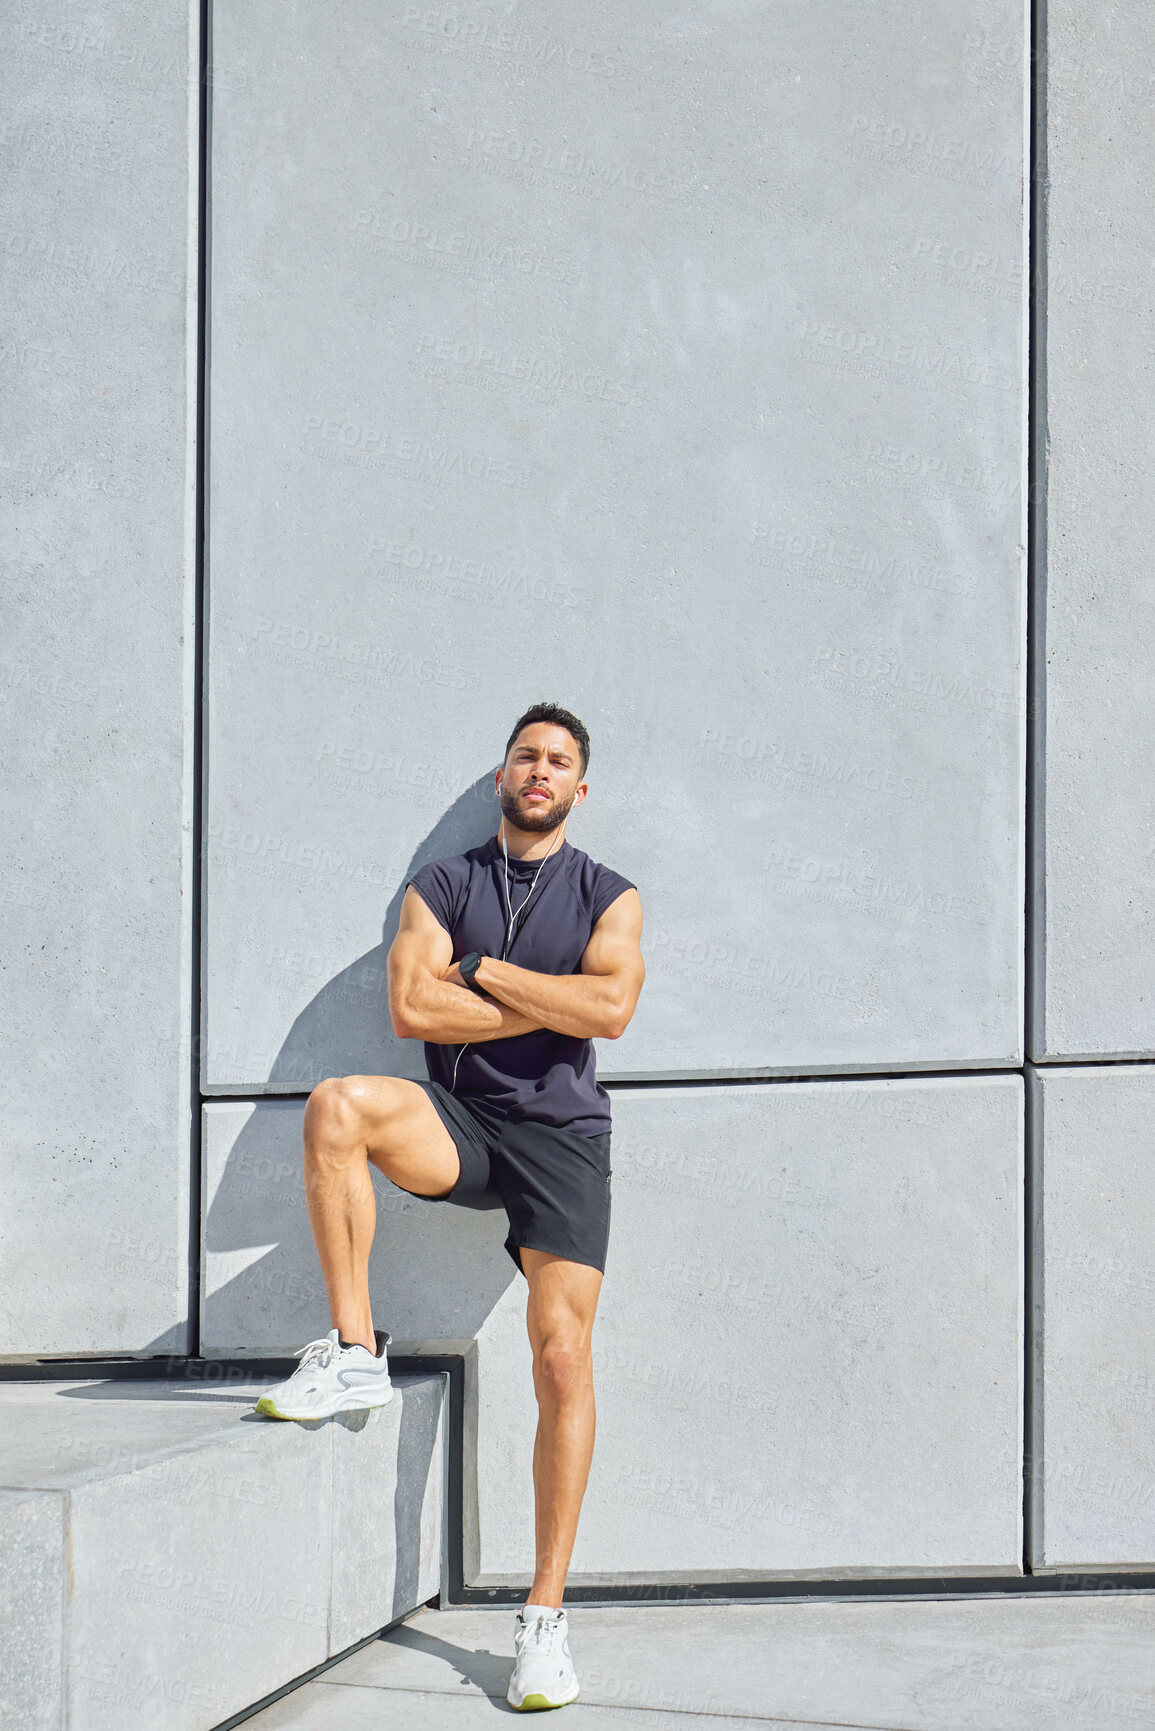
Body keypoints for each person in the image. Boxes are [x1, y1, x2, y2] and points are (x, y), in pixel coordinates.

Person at [255, 701, 645, 1712]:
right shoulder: (444, 883)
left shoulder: (610, 893)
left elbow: (611, 1009)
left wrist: (490, 973)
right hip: (461, 1123)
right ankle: (353, 1355)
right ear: (504, 772)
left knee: (562, 1355)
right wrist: (544, 998)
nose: (540, 770)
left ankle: (545, 1619)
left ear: (579, 787)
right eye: (527, 755)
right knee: (340, 1106)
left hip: (563, 1140)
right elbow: (409, 1008)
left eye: (560, 761)